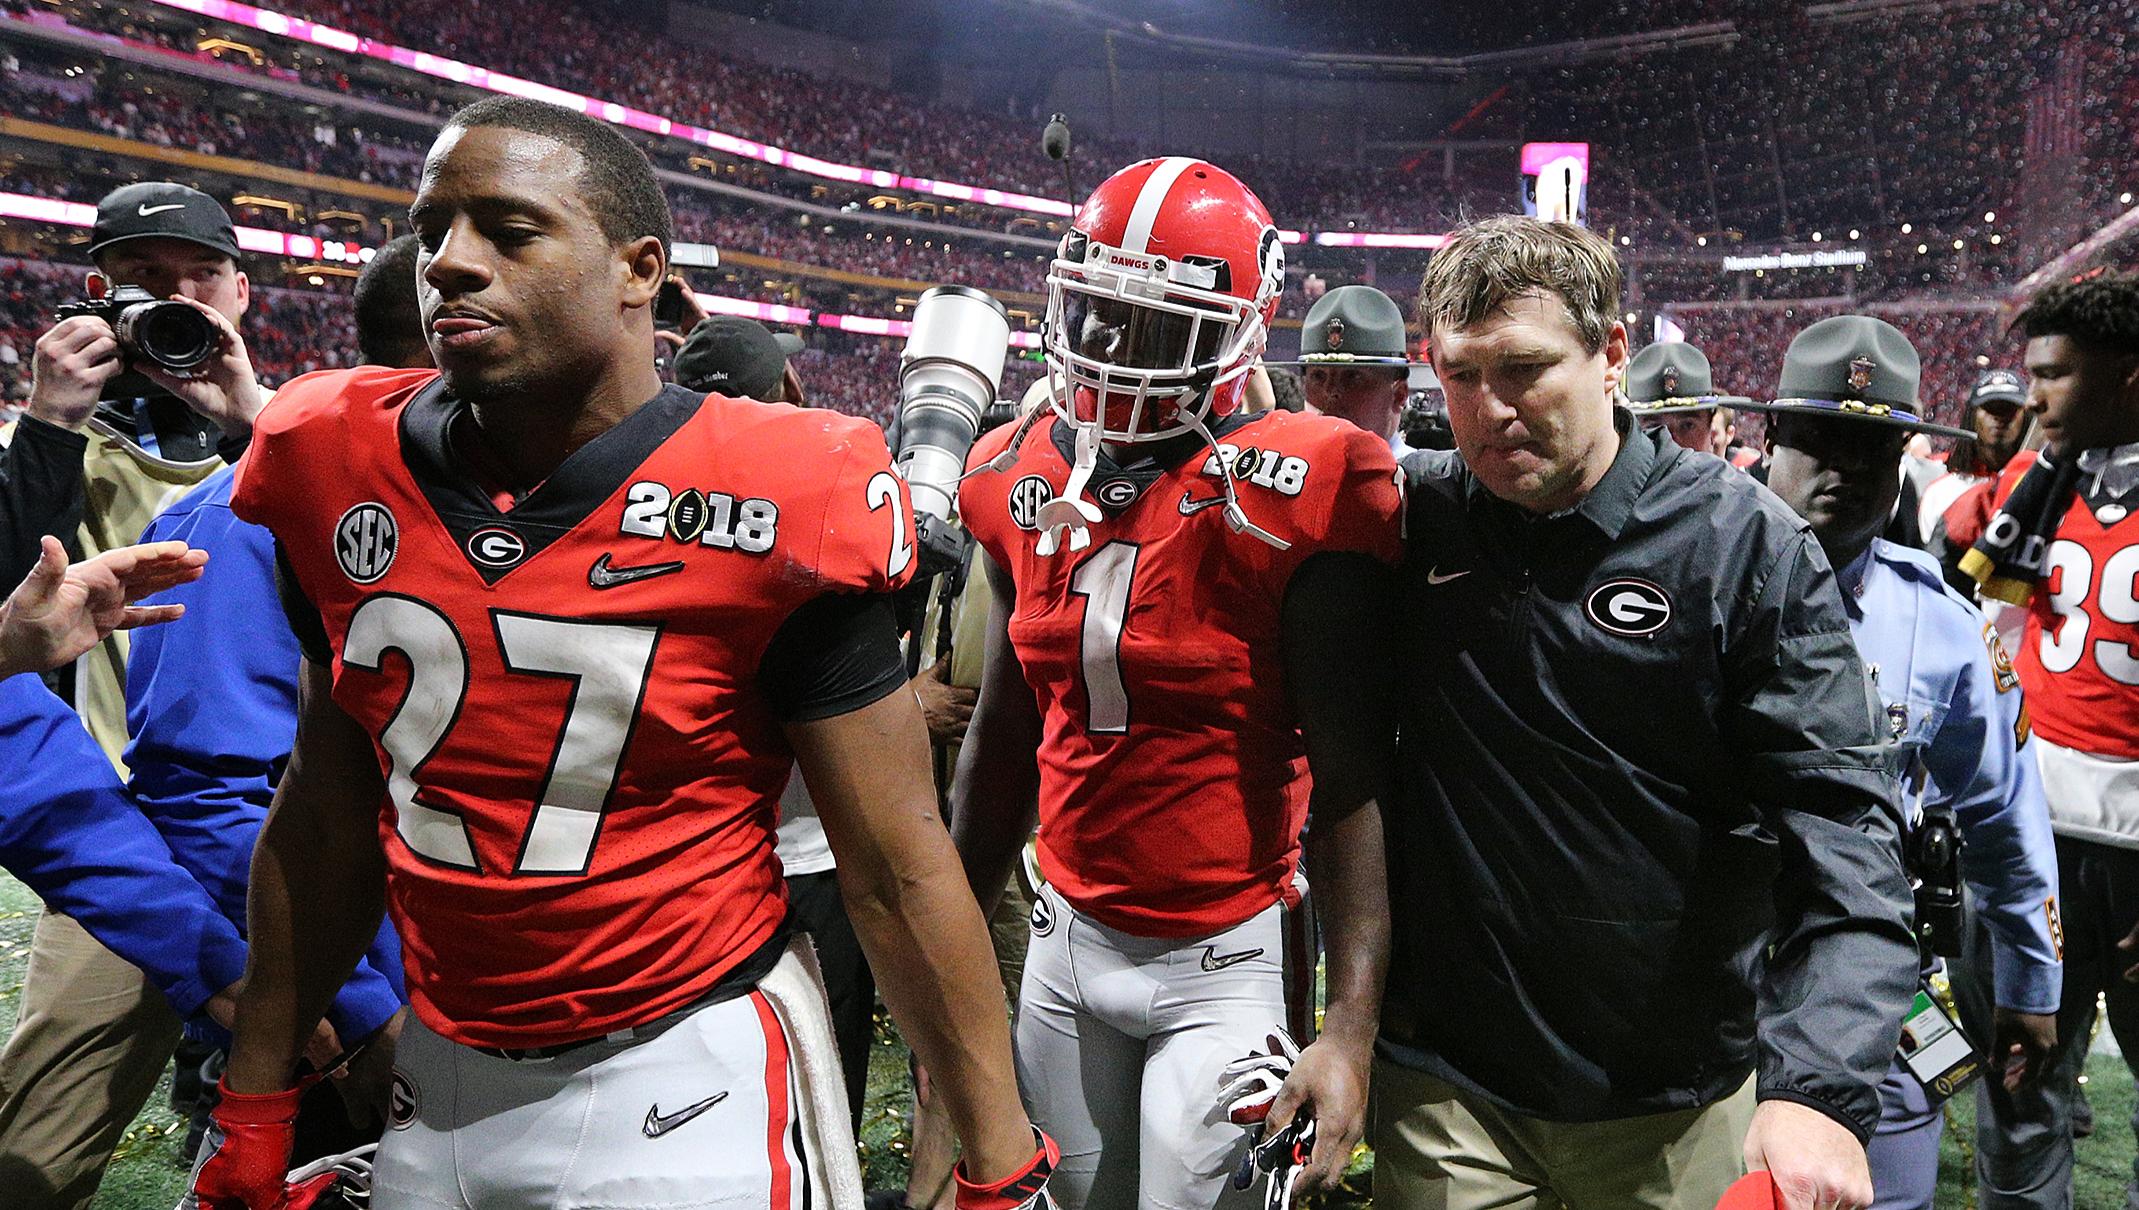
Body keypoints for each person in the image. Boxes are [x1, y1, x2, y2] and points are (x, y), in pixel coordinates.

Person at [190, 97, 1054, 1210]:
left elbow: (894, 862)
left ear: (637, 269)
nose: (448, 264)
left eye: (508, 230)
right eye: (432, 227)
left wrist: (998, 1152)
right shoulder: (326, 454)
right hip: (442, 1070)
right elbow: (322, 811)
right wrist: (256, 1098)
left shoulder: (780, 486)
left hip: (683, 1064)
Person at [1372, 215, 1918, 1210]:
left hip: (1677, 1105)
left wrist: (1822, 1088)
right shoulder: (1410, 517)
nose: (1487, 410)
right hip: (1447, 1095)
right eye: (1458, 376)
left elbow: (1846, 827)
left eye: (1524, 369)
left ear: (1612, 353)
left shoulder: (1741, 544)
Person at [952, 156, 1402, 1210]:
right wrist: (958, 934)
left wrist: (1351, 1027)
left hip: (1227, 955)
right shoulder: (1010, 466)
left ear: (1245, 326)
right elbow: (1005, 724)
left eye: (1154, 323)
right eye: (1099, 313)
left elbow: (1349, 778)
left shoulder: (1312, 483)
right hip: (1062, 938)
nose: (1111, 347)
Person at [0, 183, 277, 1210]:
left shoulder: (297, 429)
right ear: (95, 296)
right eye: (144, 280)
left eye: (198, 276)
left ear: (242, 290)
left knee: (321, 1118)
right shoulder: (52, 437)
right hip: (120, 826)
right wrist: (48, 423)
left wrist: (259, 423)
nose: (177, 299)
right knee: (33, 1153)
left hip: (276, 832)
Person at [1752, 315, 2061, 1210]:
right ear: (1770, 438)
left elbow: (2002, 817)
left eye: (1874, 445)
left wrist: (2029, 983)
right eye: (1820, 438)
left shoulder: (1944, 630)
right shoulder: (1681, 589)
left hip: (1875, 1005)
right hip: (1697, 992)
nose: (1846, 469)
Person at [1959, 269, 2139, 1209]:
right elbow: (1972, 607)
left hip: (2134, 847)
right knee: (2018, 1086)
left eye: (2054, 374)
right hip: (2034, 839)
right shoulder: (2032, 483)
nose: (2030, 395)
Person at [1920, 369, 2034, 594]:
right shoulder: (1940, 492)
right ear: (1973, 414)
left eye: (2009, 410)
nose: (1999, 418)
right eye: (1990, 409)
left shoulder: (2040, 485)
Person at [1273, 283, 1418, 447]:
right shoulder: (1293, 469)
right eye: (1318, 376)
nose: (1330, 391)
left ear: (1399, 395)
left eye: (1353, 377)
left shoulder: (1418, 472)